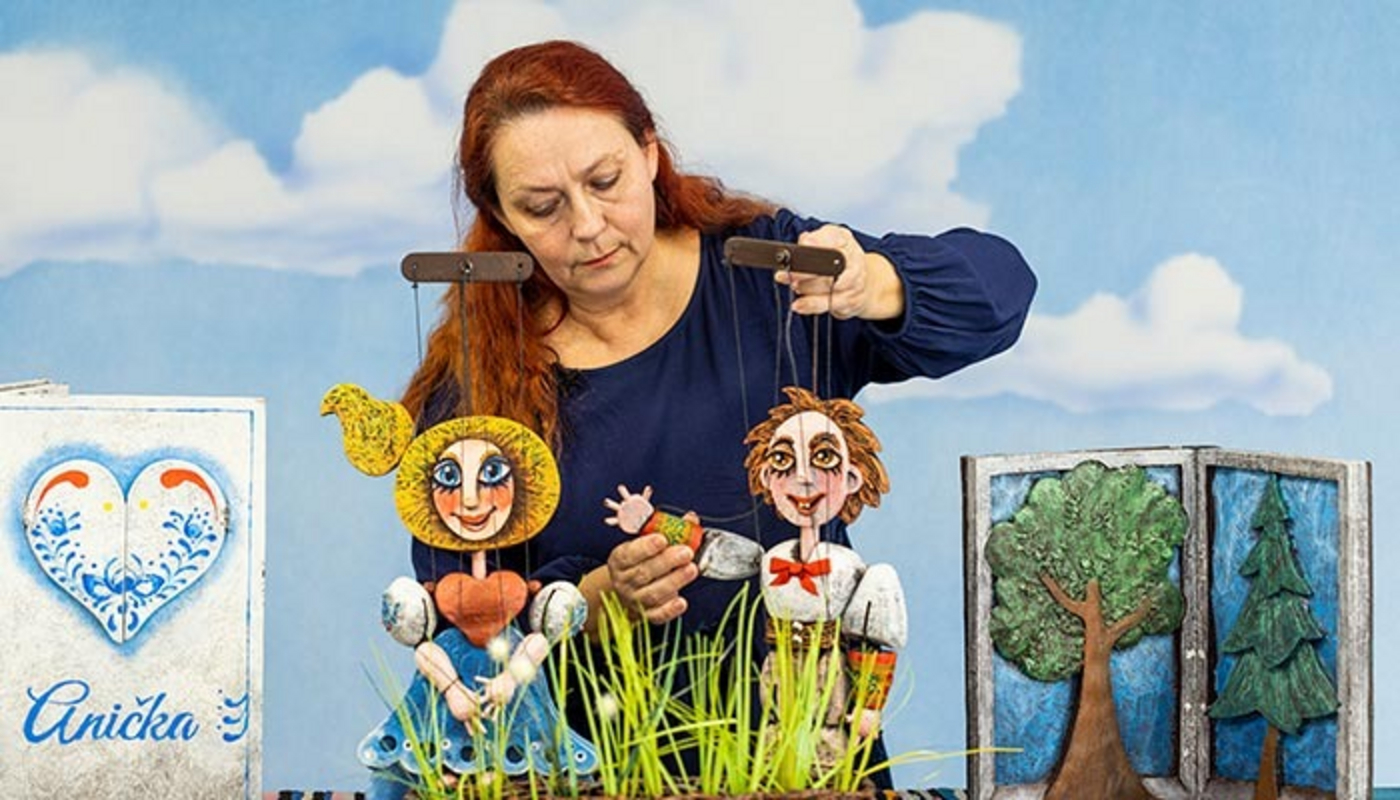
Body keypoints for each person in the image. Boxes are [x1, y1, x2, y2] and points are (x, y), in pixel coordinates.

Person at [398, 39, 1037, 789]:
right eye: (543, 207)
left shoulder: (768, 273)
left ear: (649, 152)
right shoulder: (477, 387)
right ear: (501, 217)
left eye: (606, 181)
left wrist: (875, 283)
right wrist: (594, 603)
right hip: (583, 770)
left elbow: (1000, 291)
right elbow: (458, 610)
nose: (589, 225)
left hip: (808, 761)